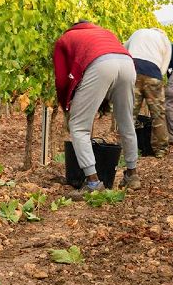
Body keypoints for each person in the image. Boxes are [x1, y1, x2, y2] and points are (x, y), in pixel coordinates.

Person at [52, 21, 139, 193]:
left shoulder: (65, 38)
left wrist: (67, 106)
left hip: (100, 65)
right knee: (126, 122)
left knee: (77, 126)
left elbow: (62, 80)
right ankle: (132, 175)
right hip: (128, 64)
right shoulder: (106, 32)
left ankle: (93, 183)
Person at [125, 28, 171, 156]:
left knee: (129, 114)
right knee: (158, 114)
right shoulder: (164, 39)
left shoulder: (137, 32)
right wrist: (156, 78)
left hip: (132, 70)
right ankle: (160, 150)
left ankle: (127, 150)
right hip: (153, 74)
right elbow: (164, 65)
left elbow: (124, 48)